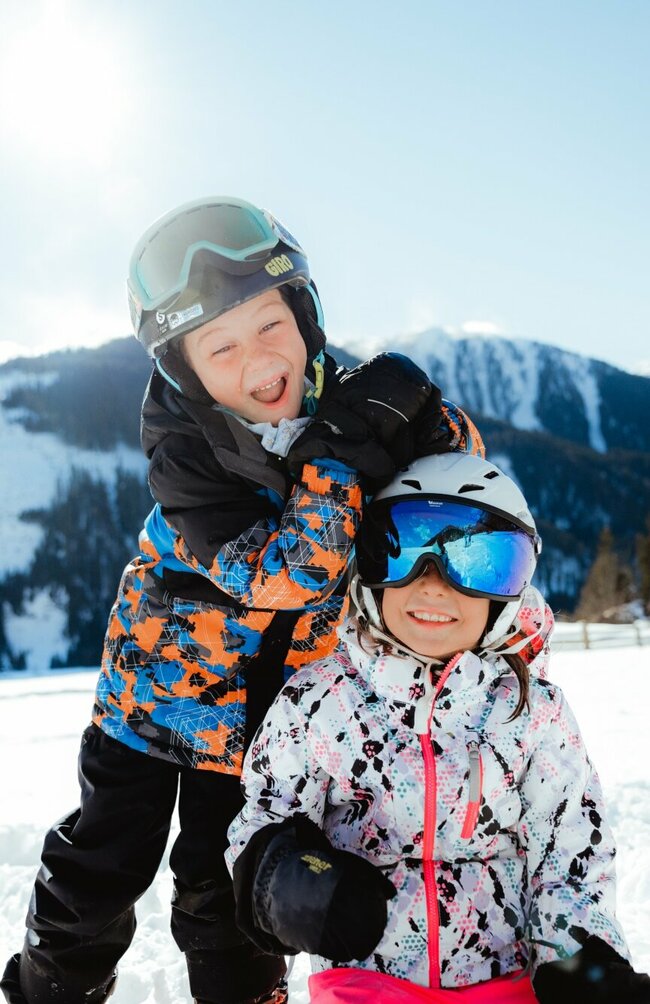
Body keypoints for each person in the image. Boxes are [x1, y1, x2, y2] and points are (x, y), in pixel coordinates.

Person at [1, 198, 483, 1004]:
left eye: (269, 325)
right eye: (219, 346)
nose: (257, 359)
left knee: (225, 884)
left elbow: (460, 487)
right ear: (187, 371)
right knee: (103, 864)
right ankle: (51, 989)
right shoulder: (184, 453)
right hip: (154, 698)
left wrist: (429, 419)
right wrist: (335, 467)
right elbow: (286, 575)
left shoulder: (343, 402)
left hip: (268, 710)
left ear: (305, 315)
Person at [227, 451, 650, 1004]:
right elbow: (267, 811)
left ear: (510, 591)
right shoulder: (320, 700)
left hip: (509, 984)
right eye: (402, 550)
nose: (434, 585)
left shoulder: (533, 712)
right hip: (364, 980)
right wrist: (284, 882)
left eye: (478, 561)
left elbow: (569, 851)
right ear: (369, 567)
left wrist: (582, 968)